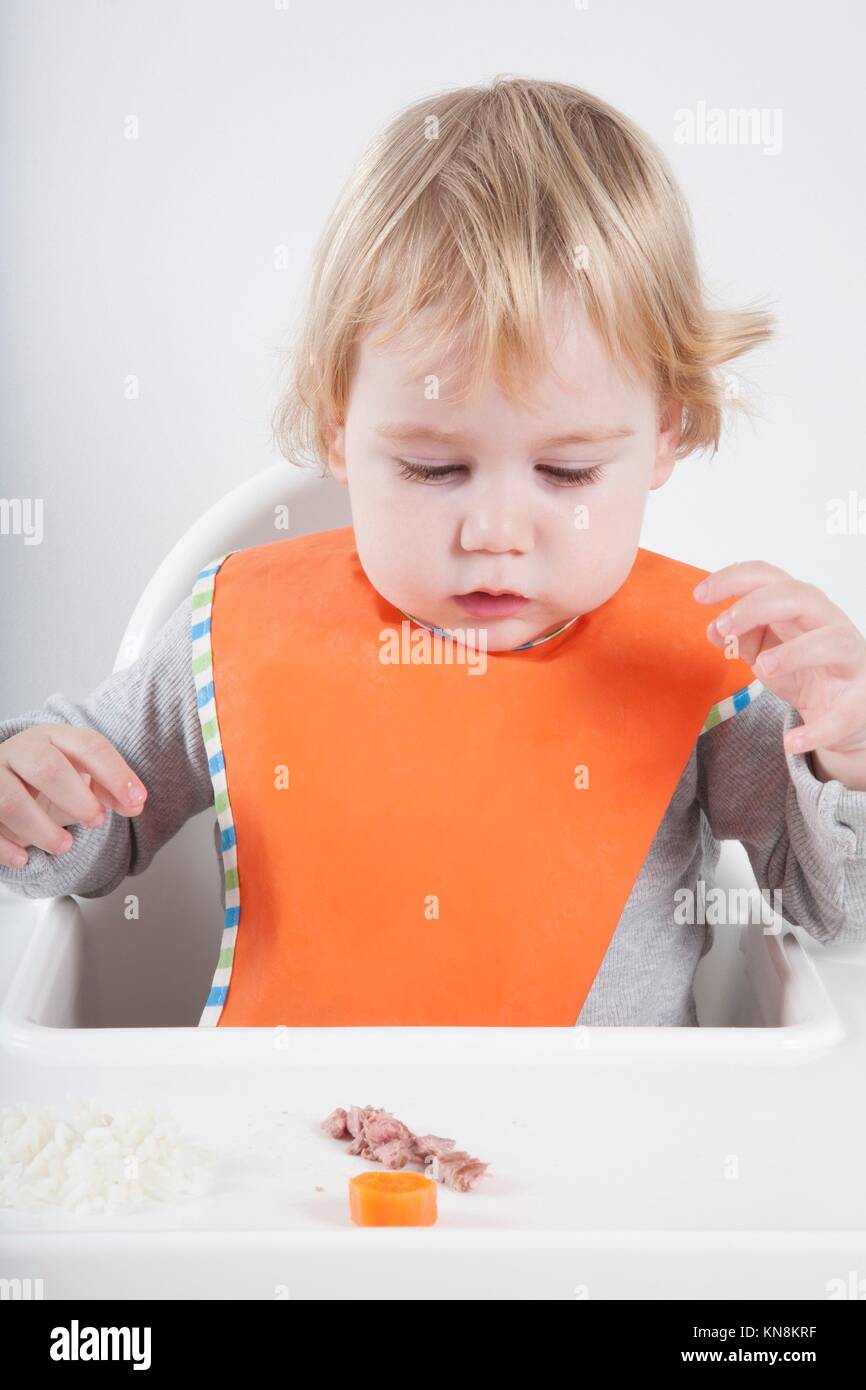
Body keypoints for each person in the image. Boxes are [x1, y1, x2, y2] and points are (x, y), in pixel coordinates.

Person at [2, 76, 866, 1026]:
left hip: (606, 1157)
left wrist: (848, 760)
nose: (495, 531)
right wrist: (32, 790)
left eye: (568, 473)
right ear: (339, 431)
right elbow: (83, 840)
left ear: (665, 435)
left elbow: (832, 911)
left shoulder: (711, 662)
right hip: (288, 1153)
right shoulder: (230, 628)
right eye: (430, 467)